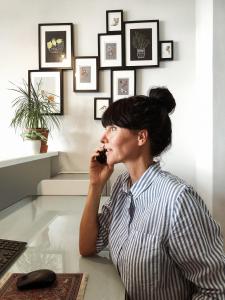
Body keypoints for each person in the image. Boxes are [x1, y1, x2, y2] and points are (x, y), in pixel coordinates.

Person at [79, 87, 225, 300]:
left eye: (112, 128)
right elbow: (87, 246)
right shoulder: (122, 186)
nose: (103, 137)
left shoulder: (178, 201)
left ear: (141, 137)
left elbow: (217, 290)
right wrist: (95, 185)